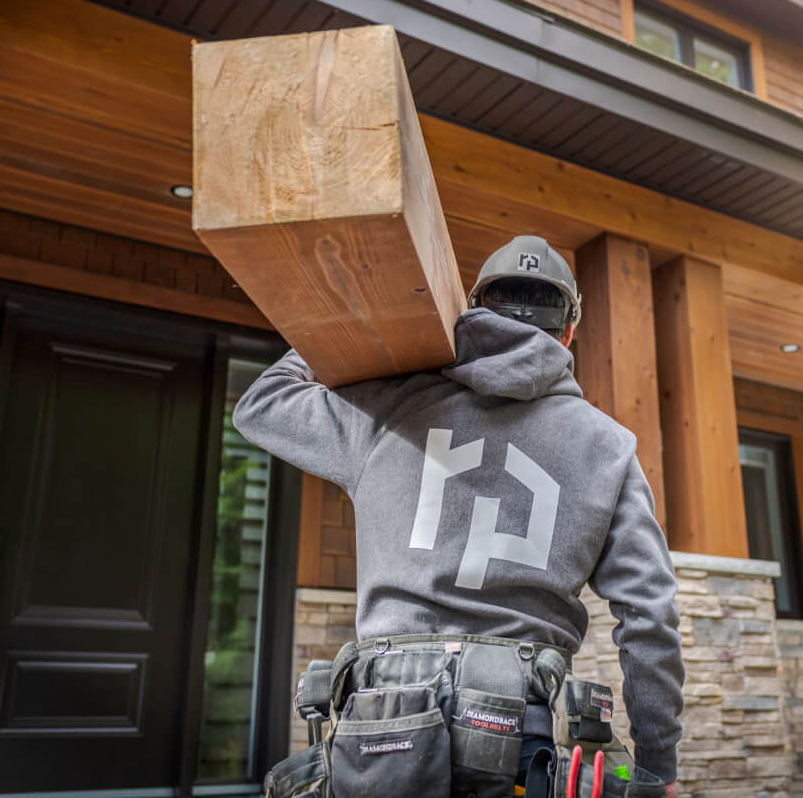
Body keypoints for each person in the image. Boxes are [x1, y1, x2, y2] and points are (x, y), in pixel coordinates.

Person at [233, 234, 684, 795]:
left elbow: (261, 404)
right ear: (569, 331)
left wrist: (358, 330)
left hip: (386, 721)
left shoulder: (389, 409)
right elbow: (650, 615)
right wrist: (655, 768)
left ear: (470, 311)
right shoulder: (609, 448)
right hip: (526, 731)